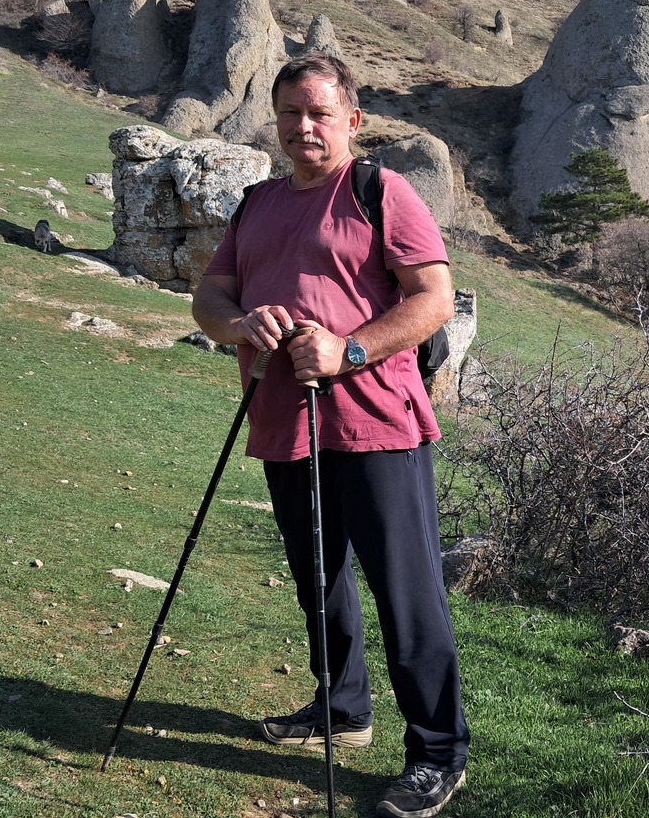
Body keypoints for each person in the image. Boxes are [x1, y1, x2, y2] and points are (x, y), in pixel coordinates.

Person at [192, 53, 469, 818]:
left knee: (405, 594)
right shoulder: (257, 203)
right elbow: (211, 294)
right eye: (289, 113)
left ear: (351, 121)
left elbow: (433, 298)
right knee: (320, 581)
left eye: (317, 113)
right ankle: (343, 709)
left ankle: (438, 752)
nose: (302, 127)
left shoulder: (381, 191)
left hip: (376, 423)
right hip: (284, 420)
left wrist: (347, 349)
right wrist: (239, 322)